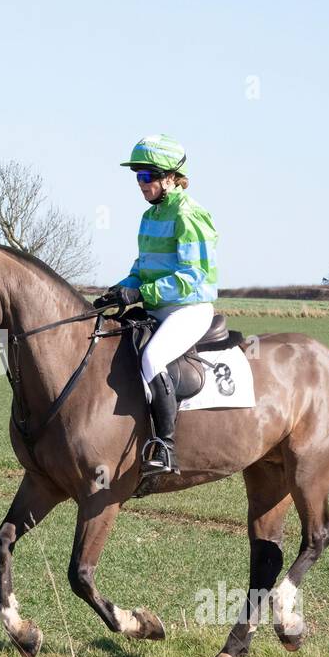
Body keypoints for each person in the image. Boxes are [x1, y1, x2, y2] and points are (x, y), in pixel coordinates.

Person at [91, 135, 219, 477]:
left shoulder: (190, 214)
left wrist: (142, 294)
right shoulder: (150, 217)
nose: (141, 184)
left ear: (171, 177)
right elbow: (142, 268)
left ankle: (165, 446)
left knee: (151, 358)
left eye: (147, 176)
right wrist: (121, 290)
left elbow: (193, 276)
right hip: (158, 305)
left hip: (188, 308)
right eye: (138, 177)